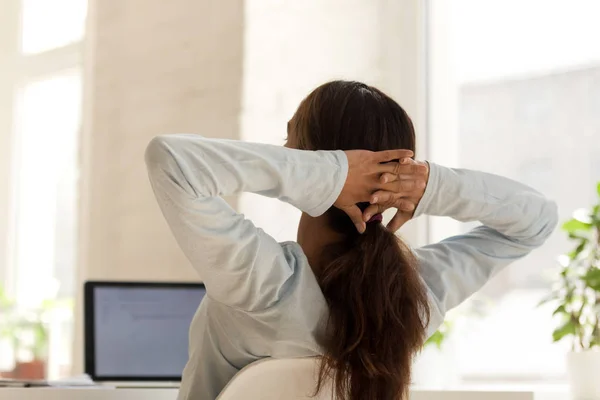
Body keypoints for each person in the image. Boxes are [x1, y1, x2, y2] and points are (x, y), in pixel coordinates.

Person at [145, 81, 558, 400]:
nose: (286, 154)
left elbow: (173, 161)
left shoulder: (261, 284)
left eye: (294, 148)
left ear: (313, 164)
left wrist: (329, 175)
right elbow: (536, 220)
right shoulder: (415, 299)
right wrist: (430, 185)